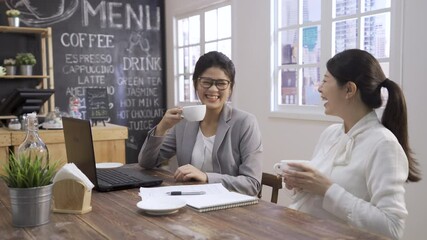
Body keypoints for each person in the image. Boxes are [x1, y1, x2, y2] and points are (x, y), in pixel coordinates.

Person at [282, 49, 421, 240]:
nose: (319, 88)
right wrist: (303, 185)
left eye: (325, 80)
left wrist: (327, 189)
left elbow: (392, 228)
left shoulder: (384, 145)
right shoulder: (331, 134)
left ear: (349, 89)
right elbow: (322, 197)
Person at [138, 51, 263, 196]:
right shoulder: (184, 121)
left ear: (230, 88)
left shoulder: (245, 123)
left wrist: (206, 177)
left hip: (231, 209)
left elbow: (252, 184)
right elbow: (146, 162)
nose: (213, 89)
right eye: (206, 82)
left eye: (221, 83)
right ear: (196, 84)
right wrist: (162, 127)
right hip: (191, 203)